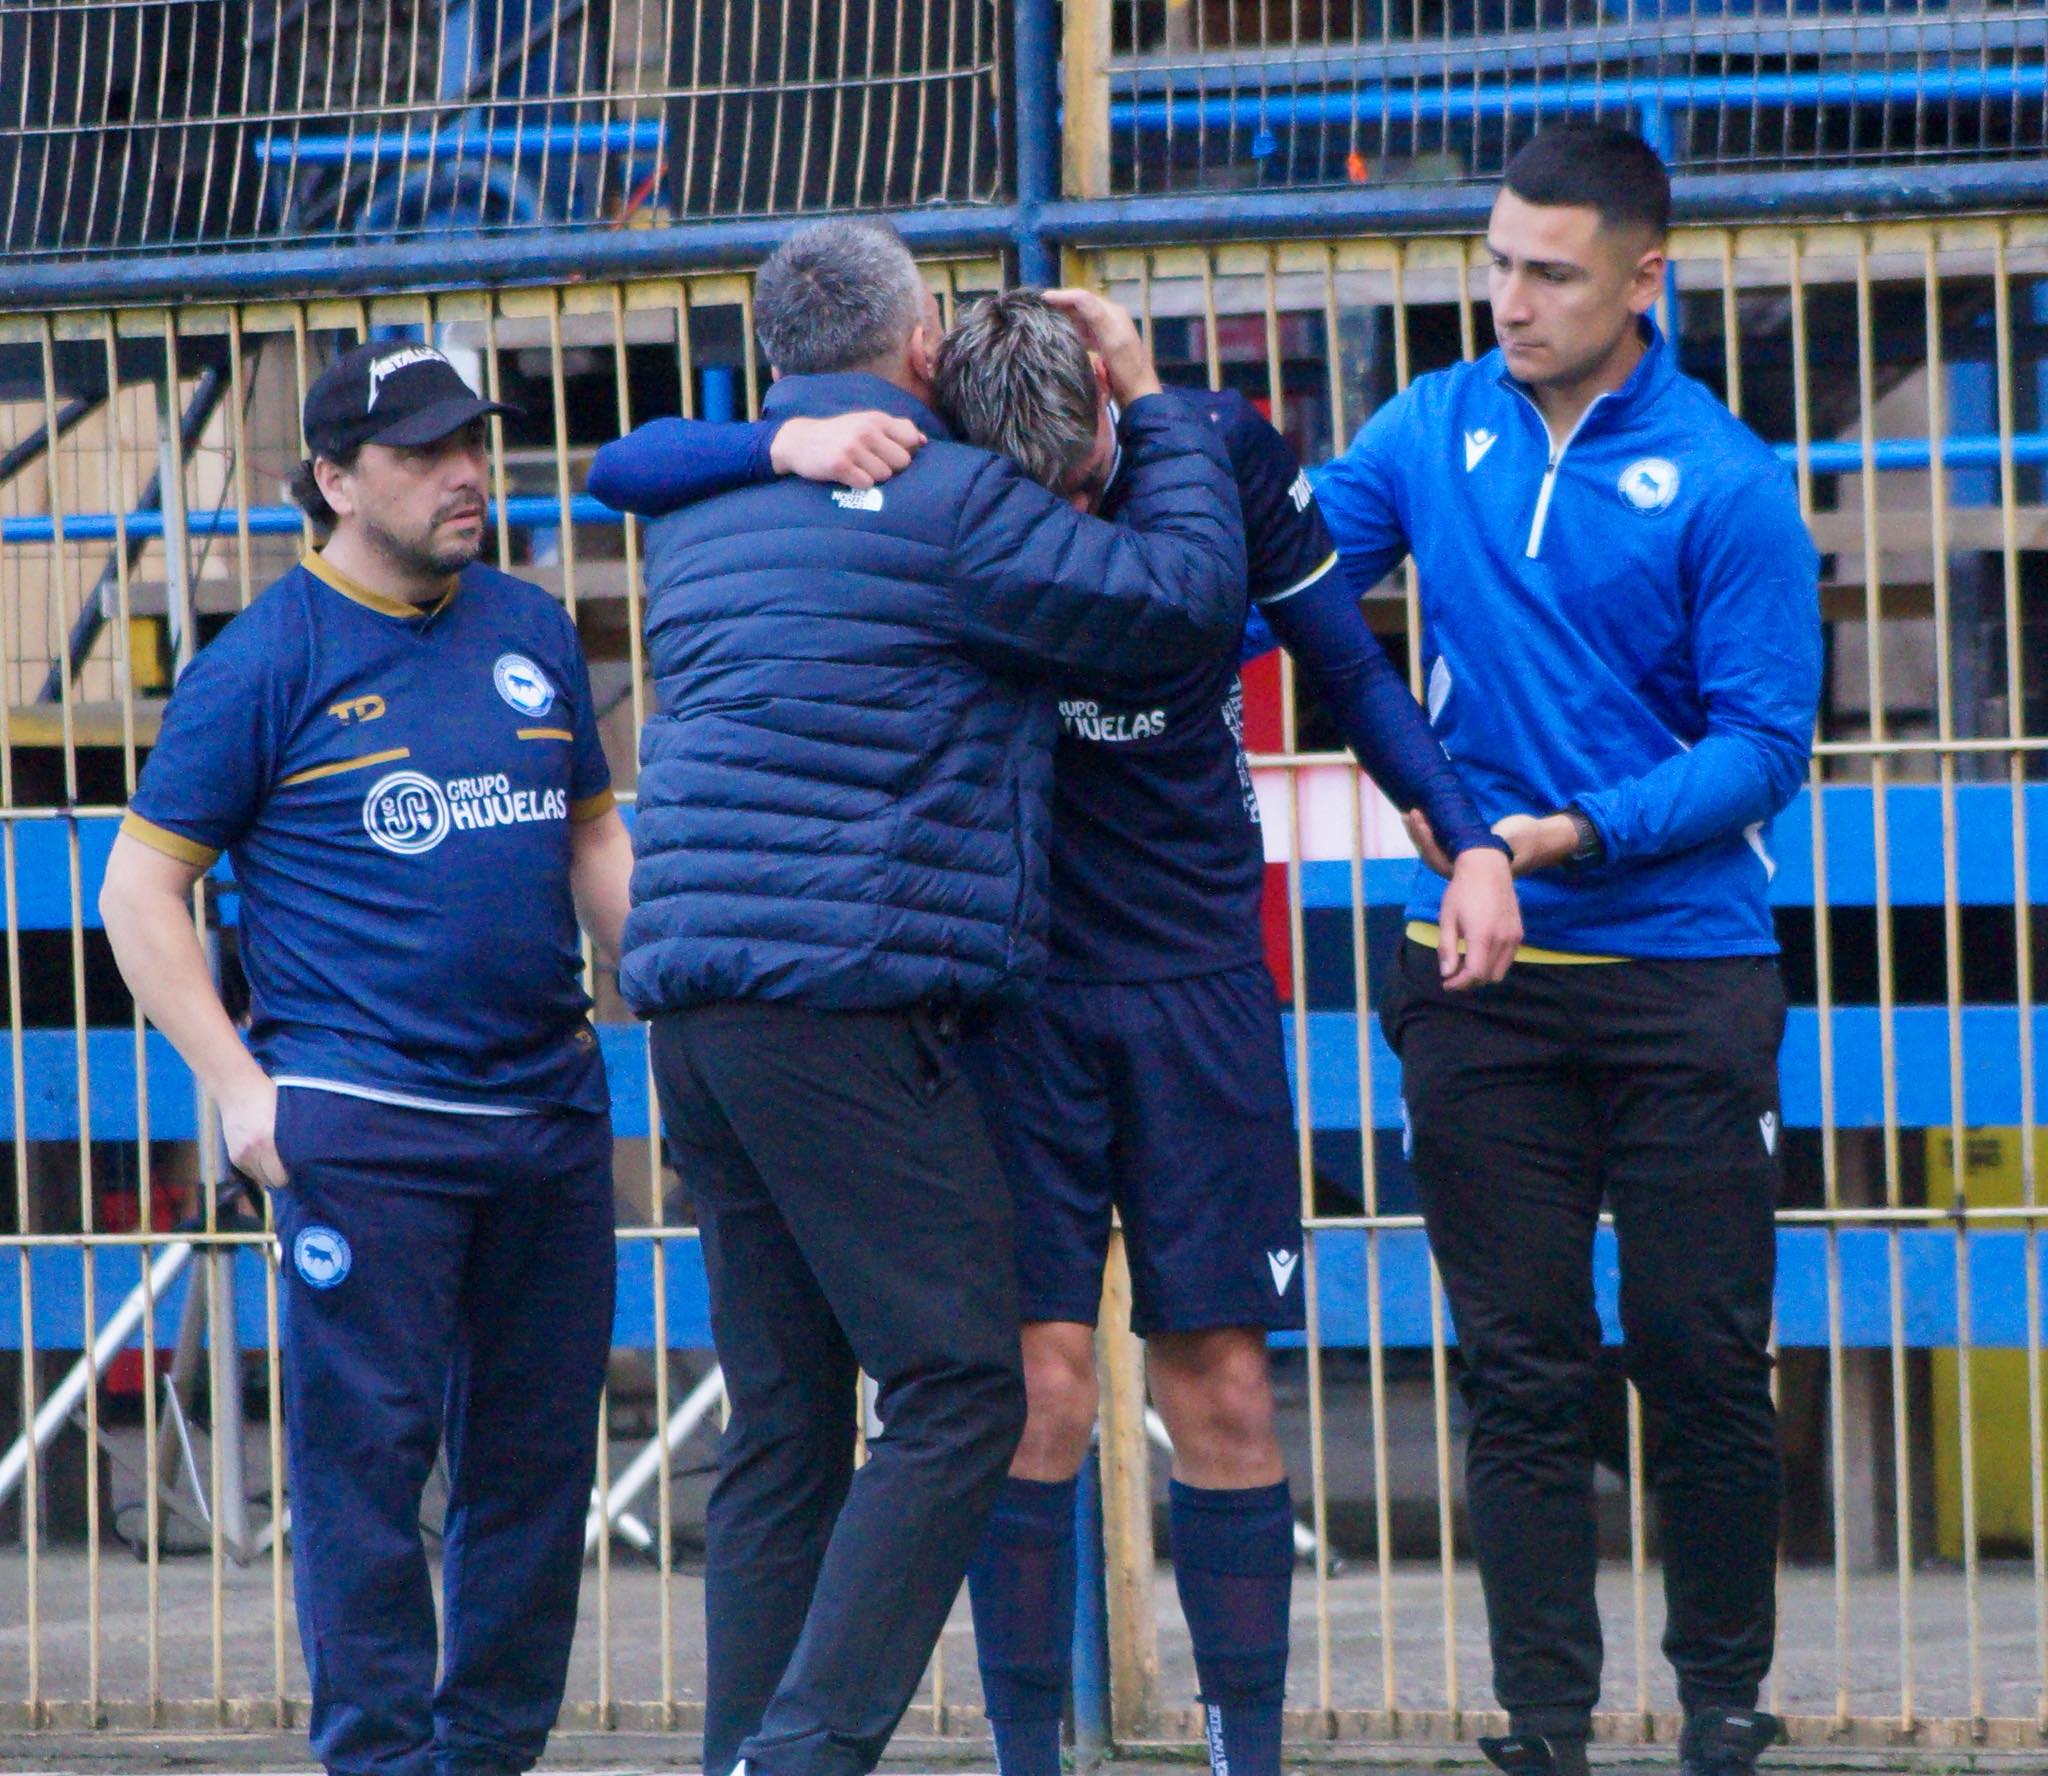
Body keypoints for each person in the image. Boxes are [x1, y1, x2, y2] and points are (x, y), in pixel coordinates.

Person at [593, 285, 1522, 1776]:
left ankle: (1245, 1755)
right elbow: (635, 463)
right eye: (1049, 499)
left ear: (1111, 408)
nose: (1074, 517)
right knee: (1029, 1392)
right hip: (1013, 987)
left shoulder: (1209, 446)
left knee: (1223, 1383)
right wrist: (782, 444)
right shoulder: (927, 470)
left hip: (1198, 979)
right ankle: (1032, 1753)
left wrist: (1466, 838)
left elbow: (1346, 664)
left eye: (1091, 482)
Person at [597, 218, 1250, 1776]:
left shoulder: (700, 509)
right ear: (918, 350)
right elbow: (1181, 601)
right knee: (961, 1391)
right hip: (848, 997)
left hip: (695, 1010)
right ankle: (802, 1757)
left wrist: (769, 437)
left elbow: (629, 458)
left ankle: (745, 1753)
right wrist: (1151, 401)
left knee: (783, 1422)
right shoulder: (955, 503)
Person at [1312, 124, 1822, 1776]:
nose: (1511, 302)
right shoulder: (1426, 426)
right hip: (1480, 983)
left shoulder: (1728, 478)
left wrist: (1565, 835)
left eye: (1550, 273)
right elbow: (1280, 583)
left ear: (1644, 280)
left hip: (1684, 976)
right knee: (1519, 1366)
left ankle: (1725, 1705)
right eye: (1496, 264)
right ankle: (1544, 1723)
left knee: (1698, 1356)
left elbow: (1764, 748)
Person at [99, 342, 632, 1776]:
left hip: (547, 1112)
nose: (469, 475)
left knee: (533, 1467)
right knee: (367, 1472)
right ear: (335, 481)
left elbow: (591, 836)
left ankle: (491, 1754)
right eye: (425, 454)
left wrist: (671, 990)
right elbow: (140, 890)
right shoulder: (264, 661)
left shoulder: (527, 625)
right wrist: (239, 1089)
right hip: (365, 1125)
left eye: (476, 444)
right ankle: (381, 1760)